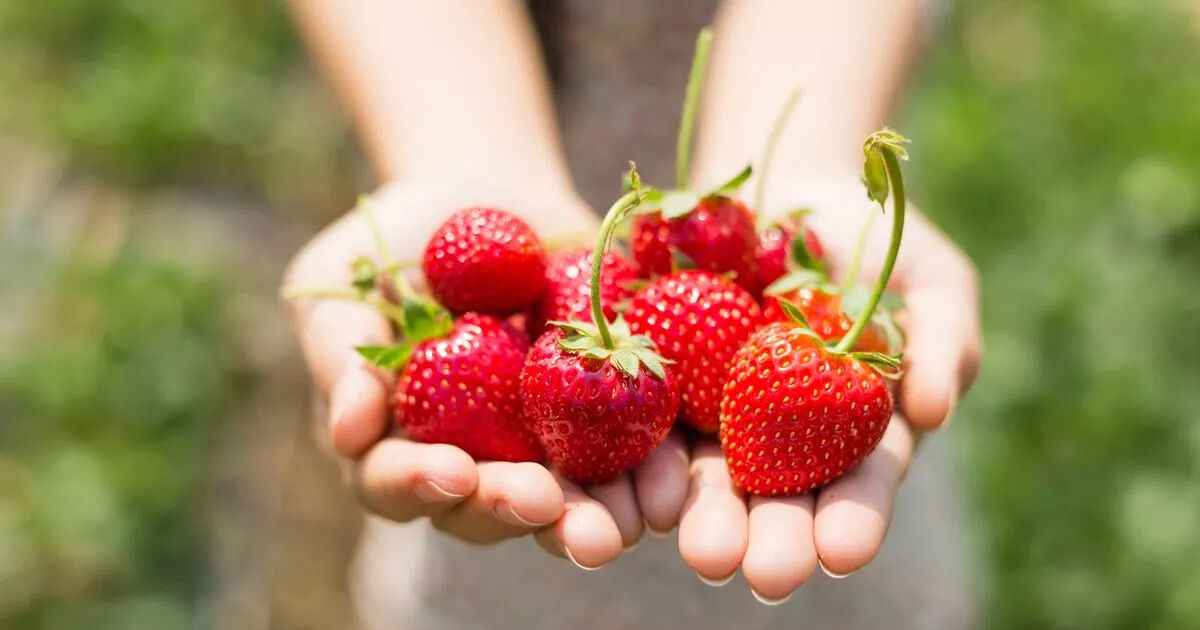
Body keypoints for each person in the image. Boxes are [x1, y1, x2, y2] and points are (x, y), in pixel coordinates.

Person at [283, 1, 982, 628]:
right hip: (512, 532)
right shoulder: (575, 320)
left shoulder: (799, 336)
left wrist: (805, 156)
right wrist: (457, 155)